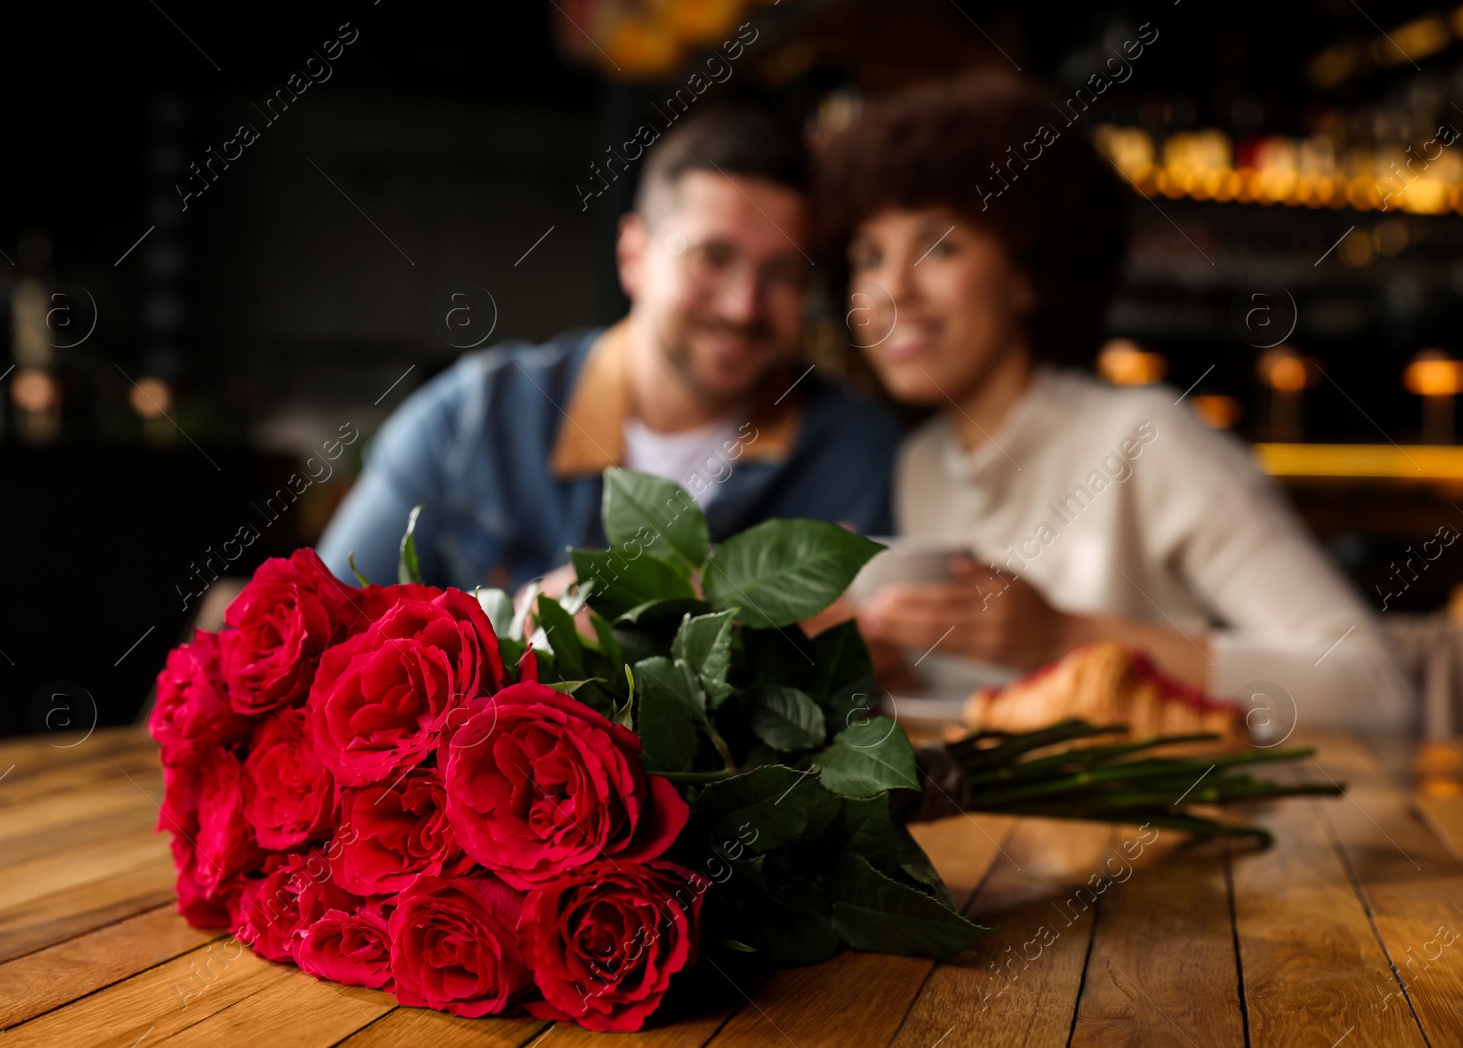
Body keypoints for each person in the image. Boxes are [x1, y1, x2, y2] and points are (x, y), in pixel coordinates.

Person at [816, 76, 1414, 730]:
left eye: (940, 247)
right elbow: (987, 707)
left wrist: (1062, 637)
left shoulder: (1146, 439)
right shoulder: (922, 463)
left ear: (1028, 273)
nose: (890, 289)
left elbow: (1375, 691)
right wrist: (878, 662)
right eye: (868, 256)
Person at [318, 104, 900, 594]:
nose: (743, 306)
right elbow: (328, 630)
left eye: (782, 273)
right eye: (711, 259)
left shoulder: (854, 451)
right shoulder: (473, 418)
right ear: (633, 256)